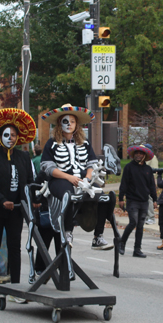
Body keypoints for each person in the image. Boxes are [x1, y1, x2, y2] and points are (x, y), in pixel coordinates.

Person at [0, 108, 35, 299]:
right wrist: (1, 201)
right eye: (6, 135)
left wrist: (32, 201)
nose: (10, 138)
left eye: (13, 135)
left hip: (16, 211)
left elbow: (29, 182)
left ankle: (16, 286)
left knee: (14, 246)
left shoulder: (23, 157)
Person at [40, 104, 113, 251]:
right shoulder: (52, 143)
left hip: (82, 180)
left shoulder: (84, 143)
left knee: (107, 197)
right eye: (65, 121)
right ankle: (68, 232)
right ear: (60, 123)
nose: (69, 124)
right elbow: (47, 167)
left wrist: (87, 177)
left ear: (76, 124)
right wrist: (68, 177)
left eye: (72, 121)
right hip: (60, 179)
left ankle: (98, 236)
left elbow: (92, 163)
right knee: (68, 193)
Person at [118, 145, 158, 258]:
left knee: (140, 226)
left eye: (141, 154)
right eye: (137, 153)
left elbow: (152, 186)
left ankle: (137, 249)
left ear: (144, 156)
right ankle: (122, 243)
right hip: (132, 200)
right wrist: (121, 199)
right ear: (133, 155)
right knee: (133, 222)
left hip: (144, 201)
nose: (138, 155)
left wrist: (155, 199)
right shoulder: (129, 167)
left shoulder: (148, 169)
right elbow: (124, 184)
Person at [144, 143, 158, 225]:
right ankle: (147, 216)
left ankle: (151, 217)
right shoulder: (148, 158)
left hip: (150, 180)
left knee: (149, 198)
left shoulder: (152, 158)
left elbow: (153, 171)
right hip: (146, 180)